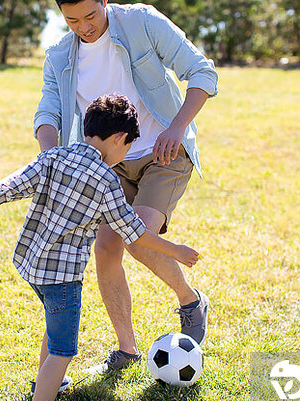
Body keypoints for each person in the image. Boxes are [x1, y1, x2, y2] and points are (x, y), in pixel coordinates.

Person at [0, 95, 200, 401]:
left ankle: (44, 384)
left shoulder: (55, 156)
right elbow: (134, 230)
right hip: (63, 278)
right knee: (63, 350)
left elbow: (14, 183)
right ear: (118, 139)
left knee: (55, 328)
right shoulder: (107, 181)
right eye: (128, 145)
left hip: (32, 265)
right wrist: (174, 248)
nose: (125, 154)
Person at [34, 0, 219, 374]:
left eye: (90, 15)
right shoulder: (59, 56)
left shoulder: (141, 22)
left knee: (137, 236)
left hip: (163, 152)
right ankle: (127, 350)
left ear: (104, 1)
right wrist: (51, 157)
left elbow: (201, 72)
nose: (84, 26)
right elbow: (47, 112)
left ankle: (189, 300)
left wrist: (176, 127)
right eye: (72, 20)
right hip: (110, 163)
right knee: (105, 248)